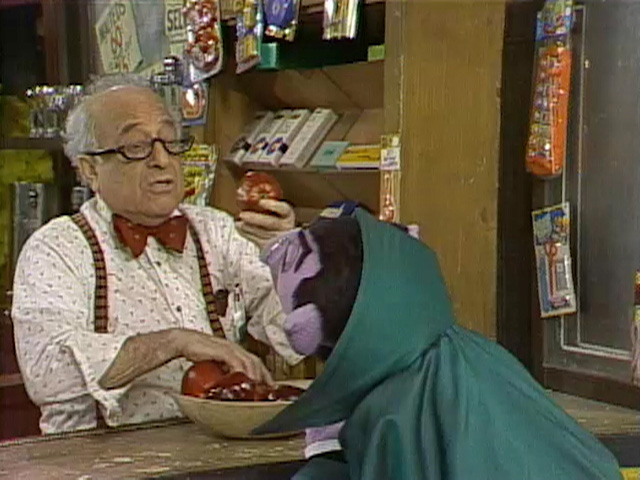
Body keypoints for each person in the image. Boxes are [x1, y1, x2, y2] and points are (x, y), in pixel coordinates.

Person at [11, 74, 303, 435]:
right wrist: (175, 342)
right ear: (90, 170)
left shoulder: (217, 230)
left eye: (170, 141)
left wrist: (290, 258)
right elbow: (48, 374)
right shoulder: (56, 249)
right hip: (100, 458)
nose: (162, 160)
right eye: (136, 147)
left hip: (219, 452)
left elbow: (297, 337)